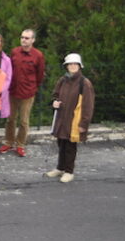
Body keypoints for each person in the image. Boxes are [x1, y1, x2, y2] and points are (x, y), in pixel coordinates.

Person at [45, 53, 95, 183]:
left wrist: (83, 124)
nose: (72, 66)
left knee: (70, 146)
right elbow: (55, 95)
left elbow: (88, 106)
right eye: (70, 64)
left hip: (74, 121)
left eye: (75, 64)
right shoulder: (62, 80)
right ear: (66, 66)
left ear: (79, 66)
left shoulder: (85, 83)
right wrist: (54, 102)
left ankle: (69, 171)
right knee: (61, 144)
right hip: (61, 119)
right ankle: (60, 168)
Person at [0, 29, 46, 157]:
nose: (24, 40)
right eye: (22, 37)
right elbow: (9, 70)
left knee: (24, 121)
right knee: (10, 119)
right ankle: (9, 142)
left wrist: (33, 87)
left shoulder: (38, 55)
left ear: (33, 40)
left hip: (28, 93)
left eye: (27, 38)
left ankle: (20, 145)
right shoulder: (14, 52)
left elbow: (40, 75)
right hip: (13, 91)